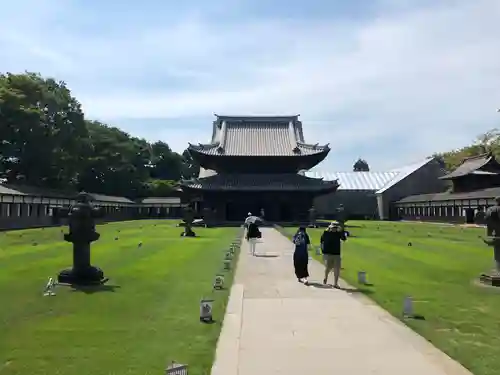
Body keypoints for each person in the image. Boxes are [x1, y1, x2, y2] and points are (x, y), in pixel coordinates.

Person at [320, 221, 347, 288]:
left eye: (335, 228)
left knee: (337, 268)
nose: (334, 229)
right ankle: (325, 277)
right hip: (328, 253)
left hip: (336, 253)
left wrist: (342, 231)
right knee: (328, 268)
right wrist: (323, 250)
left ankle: (335, 283)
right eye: (333, 228)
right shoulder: (326, 233)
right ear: (330, 227)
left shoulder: (339, 233)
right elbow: (321, 240)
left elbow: (344, 239)